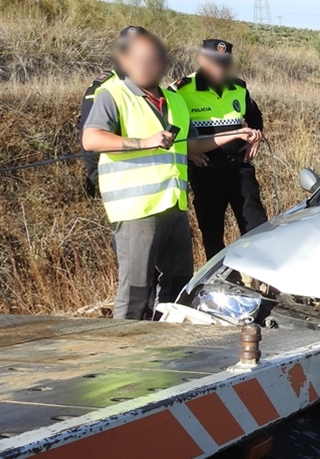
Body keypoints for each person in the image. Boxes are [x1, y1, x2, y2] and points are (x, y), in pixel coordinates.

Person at [81, 32, 257, 320]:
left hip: (173, 206)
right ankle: (125, 356)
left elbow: (189, 144)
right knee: (137, 289)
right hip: (136, 210)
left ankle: (165, 346)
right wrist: (142, 142)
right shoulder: (113, 94)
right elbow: (91, 139)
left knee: (178, 282)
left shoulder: (173, 99)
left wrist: (234, 134)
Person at [172, 39, 267, 259]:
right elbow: (168, 126)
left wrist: (256, 138)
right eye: (214, 62)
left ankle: (259, 280)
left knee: (257, 230)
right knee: (212, 235)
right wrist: (187, 149)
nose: (220, 67)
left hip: (239, 169)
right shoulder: (182, 90)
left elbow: (254, 116)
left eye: (225, 62)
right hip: (206, 172)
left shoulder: (239, 87)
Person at [79, 26, 146, 197]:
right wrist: (95, 178)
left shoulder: (154, 88)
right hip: (115, 179)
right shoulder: (104, 87)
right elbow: (90, 140)